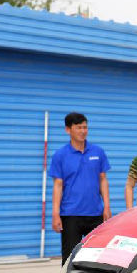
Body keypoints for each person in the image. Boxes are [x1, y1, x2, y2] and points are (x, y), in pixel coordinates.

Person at [49, 112, 111, 264]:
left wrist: (107, 207)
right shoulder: (60, 155)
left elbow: (103, 180)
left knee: (97, 256)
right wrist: (55, 214)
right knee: (70, 258)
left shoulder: (98, 152)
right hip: (71, 215)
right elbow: (58, 185)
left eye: (85, 127)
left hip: (95, 213)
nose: (83, 131)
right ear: (68, 130)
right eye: (78, 128)